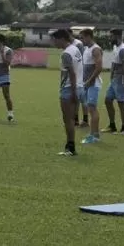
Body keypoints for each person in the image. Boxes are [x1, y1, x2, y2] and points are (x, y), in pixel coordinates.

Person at [51, 28, 83, 156]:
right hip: (78, 87)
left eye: (55, 40)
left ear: (62, 39)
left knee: (68, 120)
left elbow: (72, 74)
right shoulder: (75, 49)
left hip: (69, 89)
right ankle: (70, 146)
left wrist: (73, 92)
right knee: (70, 119)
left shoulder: (66, 54)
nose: (54, 43)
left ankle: (70, 147)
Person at [104, 28, 124, 135]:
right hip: (114, 79)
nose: (110, 38)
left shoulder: (123, 50)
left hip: (121, 80)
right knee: (107, 100)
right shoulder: (116, 47)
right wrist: (111, 76)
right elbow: (114, 63)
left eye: (111, 36)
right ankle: (112, 126)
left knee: (121, 104)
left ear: (117, 36)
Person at [80, 28, 103, 144]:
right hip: (87, 84)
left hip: (93, 84)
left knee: (92, 109)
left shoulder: (95, 49)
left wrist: (89, 81)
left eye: (82, 37)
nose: (81, 40)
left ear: (89, 36)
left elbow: (99, 68)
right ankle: (94, 134)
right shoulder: (86, 49)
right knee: (90, 109)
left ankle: (94, 135)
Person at [71, 31, 88, 128]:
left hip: (81, 77)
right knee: (77, 100)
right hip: (78, 76)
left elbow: (81, 61)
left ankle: (85, 120)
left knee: (82, 100)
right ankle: (76, 120)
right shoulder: (75, 44)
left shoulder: (78, 44)